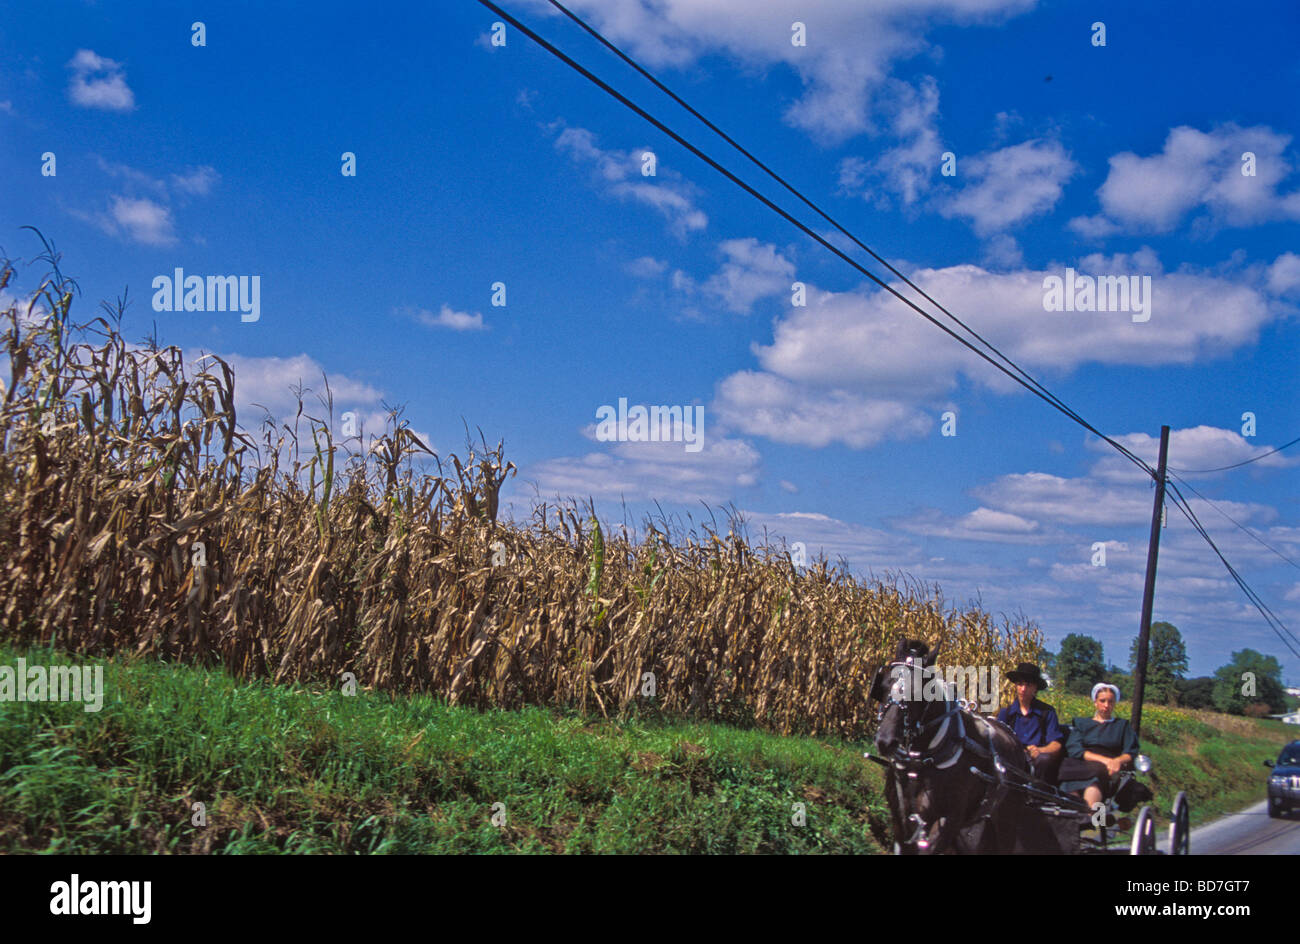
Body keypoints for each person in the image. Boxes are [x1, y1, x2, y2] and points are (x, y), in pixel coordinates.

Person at [1058, 683, 1140, 811]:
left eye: (1110, 701)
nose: (1106, 705)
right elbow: (1075, 749)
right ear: (1095, 702)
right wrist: (1105, 760)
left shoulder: (1122, 726)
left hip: (1107, 768)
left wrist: (1117, 760)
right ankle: (1071, 817)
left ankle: (1096, 818)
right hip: (1081, 762)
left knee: (1094, 783)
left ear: (1115, 703)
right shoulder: (1082, 723)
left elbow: (1131, 751)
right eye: (1102, 701)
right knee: (1068, 784)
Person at [995, 662, 1065, 783]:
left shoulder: (1047, 712)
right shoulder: (1005, 713)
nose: (1023, 689)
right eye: (1020, 684)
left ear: (1035, 688)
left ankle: (1037, 795)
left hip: (1039, 762)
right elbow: (998, 742)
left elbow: (1056, 745)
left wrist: (1040, 750)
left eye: (1028, 685)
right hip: (1013, 761)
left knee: (1043, 759)